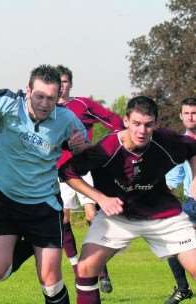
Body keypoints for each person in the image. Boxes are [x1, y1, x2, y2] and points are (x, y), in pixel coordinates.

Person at [0, 65, 87, 303]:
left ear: (58, 97)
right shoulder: (8, 104)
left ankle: (38, 246)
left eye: (51, 98)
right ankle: (28, 246)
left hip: (44, 207)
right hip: (3, 201)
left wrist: (80, 149)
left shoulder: (67, 120)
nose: (45, 104)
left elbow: (85, 152)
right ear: (28, 90)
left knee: (50, 282)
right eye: (40, 96)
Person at [59, 96, 196, 304]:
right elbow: (68, 172)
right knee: (86, 268)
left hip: (163, 216)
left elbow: (192, 147)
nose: (142, 131)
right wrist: (101, 198)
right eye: (137, 124)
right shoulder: (107, 148)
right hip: (118, 216)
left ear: (156, 124)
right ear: (126, 121)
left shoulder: (166, 141)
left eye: (149, 125)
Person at [55, 65, 123, 293]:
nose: (61, 86)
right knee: (62, 220)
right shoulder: (46, 107)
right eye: (58, 82)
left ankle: (101, 269)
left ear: (70, 84)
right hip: (58, 172)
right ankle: (77, 268)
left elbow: (114, 121)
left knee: (92, 216)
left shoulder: (82, 104)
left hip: (83, 170)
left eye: (65, 81)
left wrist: (107, 145)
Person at [164, 97, 196, 304]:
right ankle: (183, 289)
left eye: (194, 112)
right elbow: (172, 179)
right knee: (169, 241)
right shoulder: (180, 144)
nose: (191, 117)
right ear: (181, 116)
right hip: (192, 205)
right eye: (187, 113)